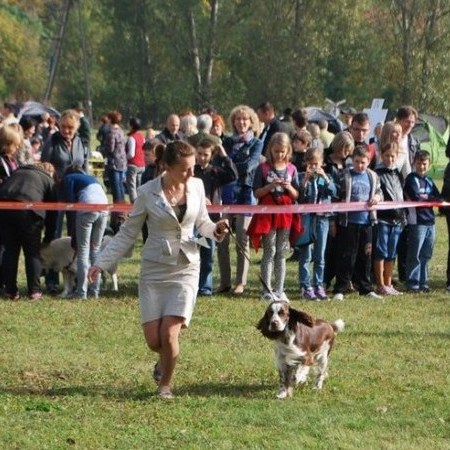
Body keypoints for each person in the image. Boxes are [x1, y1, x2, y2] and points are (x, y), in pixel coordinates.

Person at [88, 141, 228, 399]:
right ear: (168, 167)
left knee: (169, 333)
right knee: (154, 340)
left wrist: (216, 229)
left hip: (186, 267)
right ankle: (164, 357)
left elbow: (203, 223)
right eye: (185, 169)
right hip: (154, 270)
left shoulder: (197, 186)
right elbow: (128, 232)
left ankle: (165, 385)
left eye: (193, 168)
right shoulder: (146, 192)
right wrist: (101, 262)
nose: (191, 173)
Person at [248, 132, 300, 301]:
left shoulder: (292, 169)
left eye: (282, 151)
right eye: (276, 151)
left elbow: (296, 194)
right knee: (269, 251)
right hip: (267, 215)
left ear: (288, 150)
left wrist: (288, 187)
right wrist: (270, 186)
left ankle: (279, 289)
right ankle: (266, 289)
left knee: (281, 252)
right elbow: (257, 192)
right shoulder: (262, 168)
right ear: (270, 149)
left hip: (285, 215)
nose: (279, 155)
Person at [218, 105, 263, 295]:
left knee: (242, 239)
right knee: (221, 237)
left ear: (251, 122)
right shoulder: (226, 142)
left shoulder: (257, 143)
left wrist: (229, 164)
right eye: (238, 119)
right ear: (233, 122)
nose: (242, 122)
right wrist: (231, 165)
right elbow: (219, 164)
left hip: (246, 194)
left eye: (245, 119)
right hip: (227, 194)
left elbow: (251, 165)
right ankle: (224, 282)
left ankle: (240, 282)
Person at [0, 162, 57, 300]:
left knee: (9, 251)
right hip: (29, 213)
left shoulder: (16, 173)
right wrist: (48, 237)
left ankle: (10, 291)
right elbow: (53, 212)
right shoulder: (47, 179)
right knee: (32, 252)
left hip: (4, 209)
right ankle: (34, 291)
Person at [332, 146, 382, 301]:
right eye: (357, 161)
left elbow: (379, 192)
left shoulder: (373, 176)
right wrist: (334, 220)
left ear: (369, 161)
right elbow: (335, 196)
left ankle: (365, 288)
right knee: (346, 256)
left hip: (366, 222)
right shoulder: (344, 176)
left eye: (363, 162)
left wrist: (377, 198)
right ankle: (341, 287)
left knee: (365, 256)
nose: (360, 165)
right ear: (352, 160)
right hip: (348, 223)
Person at [194, 138, 237, 296]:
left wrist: (224, 155)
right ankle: (191, 285)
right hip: (193, 218)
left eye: (205, 154)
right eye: (199, 154)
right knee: (190, 255)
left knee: (208, 256)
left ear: (211, 155)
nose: (202, 157)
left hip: (211, 219)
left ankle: (205, 287)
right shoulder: (191, 171)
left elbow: (233, 175)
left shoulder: (215, 172)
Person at [63, 165, 109, 299]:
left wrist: (72, 231)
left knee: (83, 250)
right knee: (95, 250)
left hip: (87, 209)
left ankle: (81, 292)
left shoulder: (69, 178)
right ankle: (95, 291)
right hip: (105, 209)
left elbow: (70, 203)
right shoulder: (91, 178)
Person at [297, 147, 336, 301]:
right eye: (310, 164)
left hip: (322, 220)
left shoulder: (326, 177)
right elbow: (299, 197)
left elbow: (333, 192)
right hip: (307, 219)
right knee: (306, 254)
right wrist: (305, 181)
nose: (313, 167)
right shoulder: (301, 177)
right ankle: (305, 286)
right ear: (305, 163)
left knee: (320, 255)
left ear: (322, 164)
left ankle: (319, 284)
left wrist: (325, 178)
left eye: (316, 164)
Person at [403, 150, 440, 293]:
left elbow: (438, 197)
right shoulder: (411, 179)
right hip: (416, 222)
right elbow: (416, 198)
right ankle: (413, 283)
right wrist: (429, 198)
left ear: (429, 164)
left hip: (430, 222)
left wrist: (428, 198)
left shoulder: (429, 180)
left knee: (426, 254)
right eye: (418, 163)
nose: (421, 167)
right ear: (414, 163)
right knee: (415, 254)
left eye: (424, 164)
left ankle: (423, 282)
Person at [373, 142, 406, 296]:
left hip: (397, 219)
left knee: (392, 253)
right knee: (381, 252)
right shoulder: (377, 174)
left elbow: (401, 195)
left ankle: (388, 283)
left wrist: (403, 216)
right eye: (387, 155)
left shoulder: (398, 174)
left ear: (397, 156)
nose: (390, 159)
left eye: (393, 156)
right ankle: (380, 285)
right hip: (382, 219)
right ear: (382, 155)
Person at [323, 131, 355, 289]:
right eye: (344, 148)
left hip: (346, 212)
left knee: (344, 249)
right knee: (329, 248)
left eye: (349, 149)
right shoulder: (325, 162)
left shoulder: (349, 163)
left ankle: (344, 279)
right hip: (329, 210)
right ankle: (324, 280)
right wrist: (331, 220)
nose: (347, 152)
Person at [396, 105, 421, 282]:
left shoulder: (414, 141)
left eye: (413, 122)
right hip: (393, 188)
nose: (410, 125)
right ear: (399, 120)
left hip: (409, 190)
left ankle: (404, 272)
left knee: (407, 231)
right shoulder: (391, 137)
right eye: (407, 121)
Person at [125, 117, 146, 203]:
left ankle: (134, 204)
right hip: (142, 165)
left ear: (131, 126)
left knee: (132, 186)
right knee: (139, 186)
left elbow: (131, 154)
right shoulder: (142, 137)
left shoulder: (132, 138)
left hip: (133, 165)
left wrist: (124, 158)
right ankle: (140, 203)